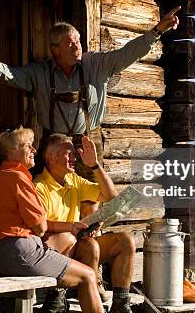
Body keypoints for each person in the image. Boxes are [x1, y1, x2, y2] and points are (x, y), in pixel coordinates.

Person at [0, 6, 181, 179]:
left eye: (78, 41)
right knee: (52, 193)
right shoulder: (40, 72)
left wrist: (157, 31)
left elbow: (127, 54)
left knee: (90, 199)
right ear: (55, 49)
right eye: (69, 43)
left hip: (88, 140)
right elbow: (13, 75)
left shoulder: (96, 65)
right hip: (53, 142)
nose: (77, 47)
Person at [0, 127, 105, 313]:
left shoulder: (2, 176)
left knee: (69, 246)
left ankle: (56, 299)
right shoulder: (18, 178)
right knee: (88, 275)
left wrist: (69, 226)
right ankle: (57, 299)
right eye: (28, 146)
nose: (34, 150)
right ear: (11, 152)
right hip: (20, 252)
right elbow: (40, 227)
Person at [34, 133, 136, 313]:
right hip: (56, 250)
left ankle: (121, 304)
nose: (74, 158)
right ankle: (63, 296)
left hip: (78, 243)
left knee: (125, 241)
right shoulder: (39, 187)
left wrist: (95, 165)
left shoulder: (73, 180)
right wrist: (72, 228)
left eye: (74, 154)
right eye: (69, 154)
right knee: (90, 246)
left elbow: (111, 197)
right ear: (51, 157)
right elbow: (39, 227)